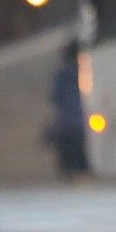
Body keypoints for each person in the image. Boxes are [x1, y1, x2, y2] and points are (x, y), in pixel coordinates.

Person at [45, 40, 89, 179]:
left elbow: (55, 97)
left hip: (65, 124)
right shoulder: (84, 73)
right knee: (80, 157)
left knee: (67, 159)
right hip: (80, 123)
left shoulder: (62, 74)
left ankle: (69, 174)